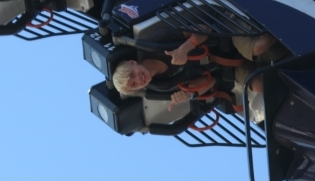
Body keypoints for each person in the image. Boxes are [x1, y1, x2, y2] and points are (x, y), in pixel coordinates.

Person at [111, 31, 286, 122]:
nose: (138, 79)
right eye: (134, 84)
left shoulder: (156, 43)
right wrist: (189, 94)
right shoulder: (162, 85)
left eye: (132, 74)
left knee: (259, 48)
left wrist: (185, 48)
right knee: (260, 86)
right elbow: (209, 82)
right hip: (226, 69)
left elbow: (204, 29)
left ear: (133, 63)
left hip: (225, 35)